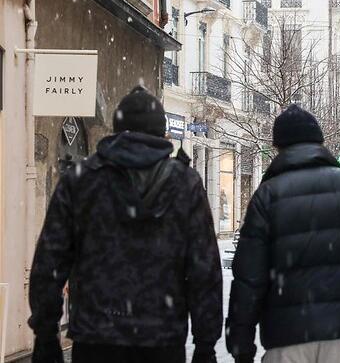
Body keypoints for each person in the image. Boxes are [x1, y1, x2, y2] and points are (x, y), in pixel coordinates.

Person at [28, 86, 222, 363]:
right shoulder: (185, 183)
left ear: (117, 129)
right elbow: (204, 269)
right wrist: (206, 344)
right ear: (161, 132)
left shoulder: (82, 180)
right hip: (162, 339)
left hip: (97, 338)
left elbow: (50, 261)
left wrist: (45, 335)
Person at [226, 105, 340, 363]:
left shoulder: (267, 196)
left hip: (286, 336)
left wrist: (240, 342)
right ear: (320, 142)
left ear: (278, 147)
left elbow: (248, 278)